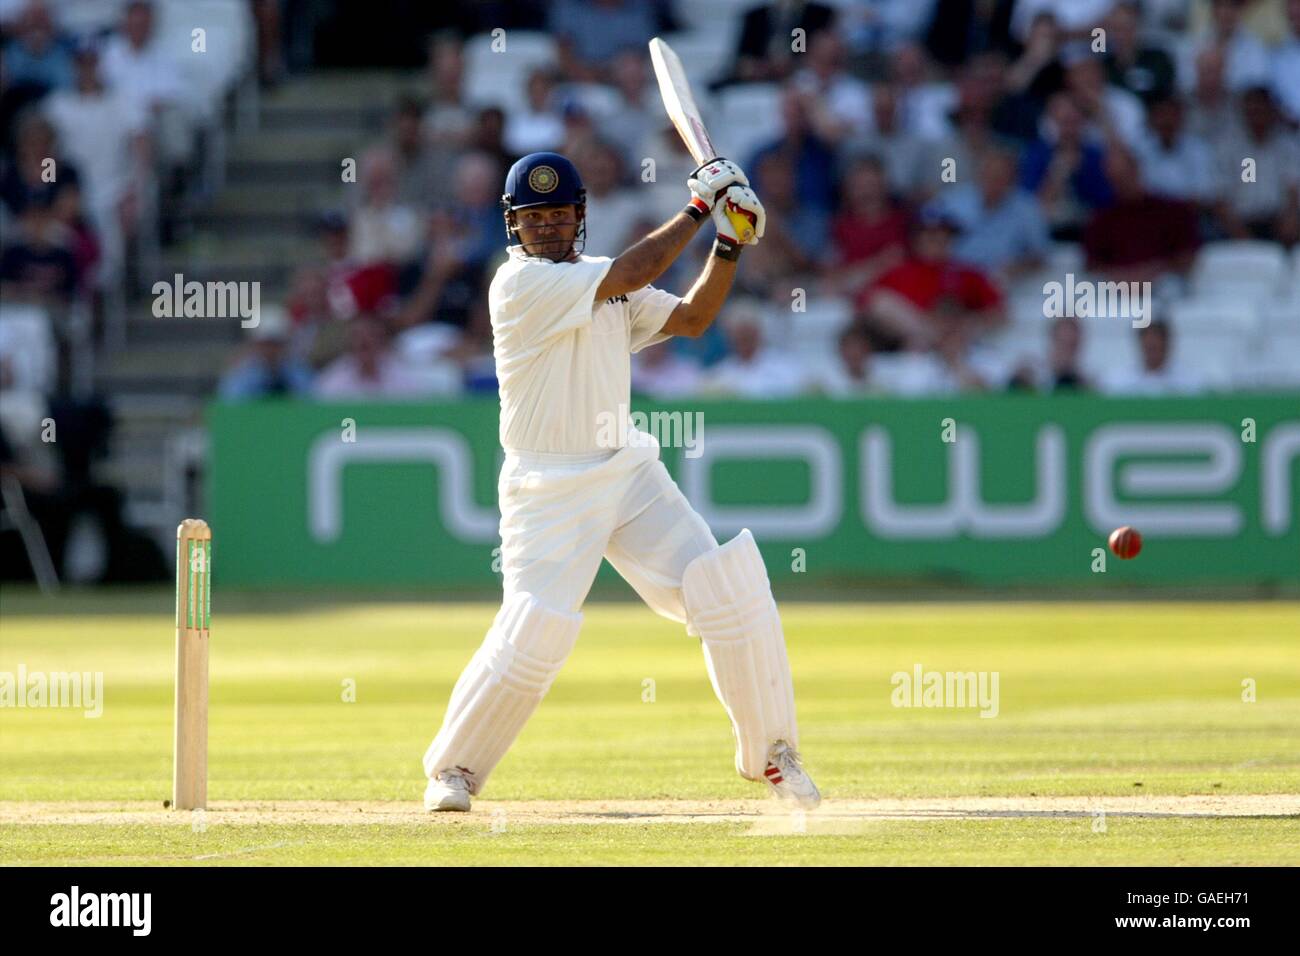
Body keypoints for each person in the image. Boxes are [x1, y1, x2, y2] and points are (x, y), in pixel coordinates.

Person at [421, 151, 820, 813]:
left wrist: (728, 244)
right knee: (534, 631)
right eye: (533, 217)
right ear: (514, 226)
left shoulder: (604, 282)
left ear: (579, 216)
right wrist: (700, 205)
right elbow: (635, 269)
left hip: (628, 472)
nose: (546, 227)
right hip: (548, 486)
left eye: (557, 215)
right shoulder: (517, 286)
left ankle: (775, 756)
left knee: (729, 587)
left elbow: (691, 320)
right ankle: (454, 770)